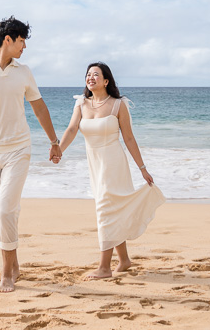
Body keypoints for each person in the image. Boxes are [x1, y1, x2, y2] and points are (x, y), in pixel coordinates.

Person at [0, 16, 62, 292]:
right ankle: (15, 263)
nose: (24, 47)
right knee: (1, 214)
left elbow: (39, 108)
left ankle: (7, 272)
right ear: (8, 40)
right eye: (21, 41)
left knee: (6, 210)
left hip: (18, 149)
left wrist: (54, 141)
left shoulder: (24, 71)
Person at [54, 61, 165, 279]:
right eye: (88, 74)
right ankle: (124, 260)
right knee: (111, 210)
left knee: (105, 208)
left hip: (114, 164)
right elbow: (72, 129)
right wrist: (59, 150)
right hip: (95, 165)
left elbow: (129, 138)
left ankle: (104, 267)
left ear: (106, 81)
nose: (90, 77)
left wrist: (142, 168)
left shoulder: (118, 105)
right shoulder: (81, 104)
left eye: (96, 74)